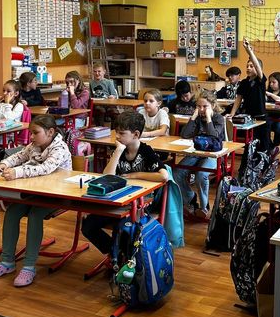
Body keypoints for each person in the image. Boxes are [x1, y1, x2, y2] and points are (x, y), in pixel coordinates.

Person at [0, 115, 72, 287]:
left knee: (35, 215)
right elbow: (19, 156)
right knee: (12, 212)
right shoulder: (34, 145)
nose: (31, 137)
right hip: (35, 192)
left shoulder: (59, 148)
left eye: (35, 133)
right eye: (30, 133)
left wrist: (17, 172)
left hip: (57, 195)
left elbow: (45, 168)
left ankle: (29, 266)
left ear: (50, 132)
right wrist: (5, 164)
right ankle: (7, 262)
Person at [81, 111, 168, 255]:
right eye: (116, 132)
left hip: (142, 203)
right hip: (119, 201)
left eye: (121, 133)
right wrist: (118, 151)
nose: (117, 136)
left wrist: (136, 175)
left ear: (136, 134)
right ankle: (115, 253)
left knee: (121, 226)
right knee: (88, 225)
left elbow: (163, 176)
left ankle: (123, 255)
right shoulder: (119, 150)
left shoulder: (146, 151)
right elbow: (107, 176)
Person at [176, 90, 226, 218]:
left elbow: (214, 136)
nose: (202, 109)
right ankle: (190, 198)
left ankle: (204, 207)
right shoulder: (197, 118)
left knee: (201, 174)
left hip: (213, 154)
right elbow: (185, 134)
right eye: (199, 106)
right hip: (197, 152)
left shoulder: (218, 118)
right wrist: (193, 117)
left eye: (205, 106)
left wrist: (209, 118)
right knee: (177, 172)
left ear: (213, 106)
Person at [228, 37, 269, 153]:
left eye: (251, 66)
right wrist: (232, 114)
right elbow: (238, 99)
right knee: (250, 144)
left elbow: (258, 67)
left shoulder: (260, 80)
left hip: (261, 117)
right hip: (249, 118)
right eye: (247, 66)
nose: (248, 68)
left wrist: (249, 51)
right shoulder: (244, 83)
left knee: (264, 146)